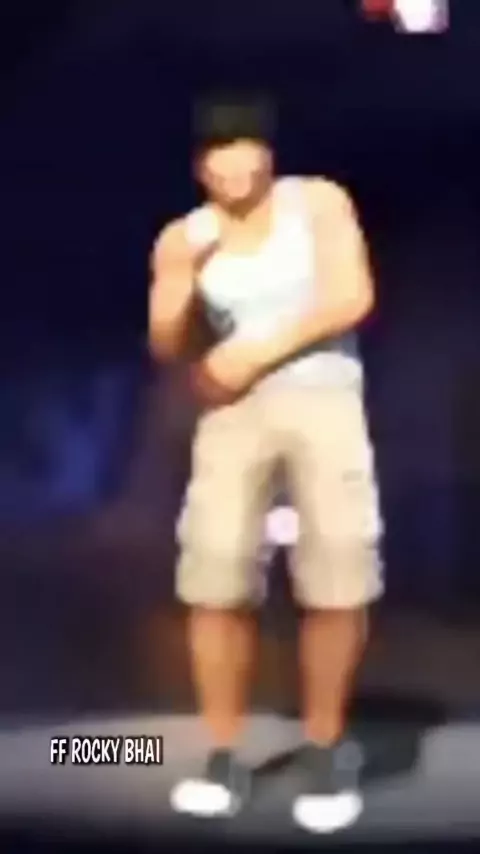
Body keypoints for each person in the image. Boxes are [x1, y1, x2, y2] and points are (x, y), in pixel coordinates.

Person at [149, 96, 383, 834]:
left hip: (322, 397)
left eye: (246, 152)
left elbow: (350, 296)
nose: (234, 169)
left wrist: (255, 352)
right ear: (201, 167)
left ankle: (326, 748)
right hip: (231, 415)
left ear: (268, 156)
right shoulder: (185, 236)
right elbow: (167, 342)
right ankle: (223, 755)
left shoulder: (316, 203)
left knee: (339, 567)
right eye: (219, 158)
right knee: (214, 572)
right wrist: (182, 290)